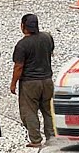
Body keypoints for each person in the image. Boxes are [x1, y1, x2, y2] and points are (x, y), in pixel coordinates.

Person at [10, 14, 54, 149]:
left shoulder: (22, 45)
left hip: (30, 83)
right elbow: (51, 51)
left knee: (29, 111)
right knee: (48, 111)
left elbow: (19, 67)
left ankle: (35, 139)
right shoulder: (47, 37)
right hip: (47, 80)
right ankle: (52, 137)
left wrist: (13, 83)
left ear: (23, 26)